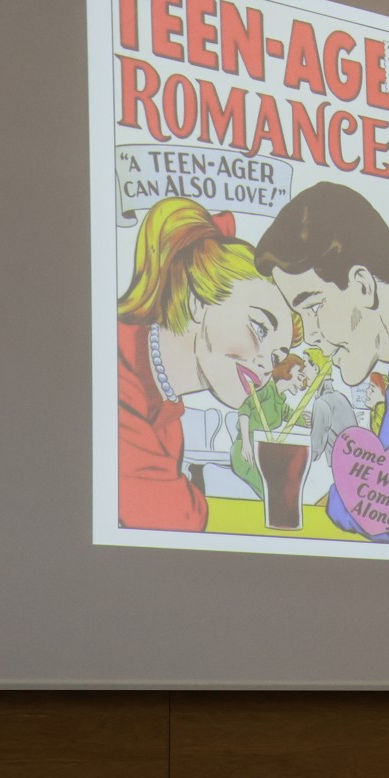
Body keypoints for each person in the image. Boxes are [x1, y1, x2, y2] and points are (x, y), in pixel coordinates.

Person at [255, 182, 389, 545]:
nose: (311, 336)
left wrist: (351, 500)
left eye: (313, 307)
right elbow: (376, 495)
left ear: (363, 286)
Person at [118, 197, 296, 531]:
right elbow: (174, 518)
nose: (265, 367)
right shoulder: (117, 375)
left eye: (275, 357)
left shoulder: (168, 420)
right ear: (198, 301)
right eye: (259, 329)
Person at [230, 353, 307, 497]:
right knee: (271, 491)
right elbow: (244, 409)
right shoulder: (266, 389)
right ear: (287, 371)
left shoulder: (280, 401)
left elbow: (295, 417)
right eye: (299, 376)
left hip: (263, 453)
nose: (301, 382)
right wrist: (246, 443)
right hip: (246, 452)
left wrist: (311, 421)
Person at [304, 347, 360, 466]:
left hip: (343, 467)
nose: (303, 371)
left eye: (305, 366)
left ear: (316, 368)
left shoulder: (322, 403)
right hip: (354, 464)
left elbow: (315, 450)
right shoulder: (339, 397)